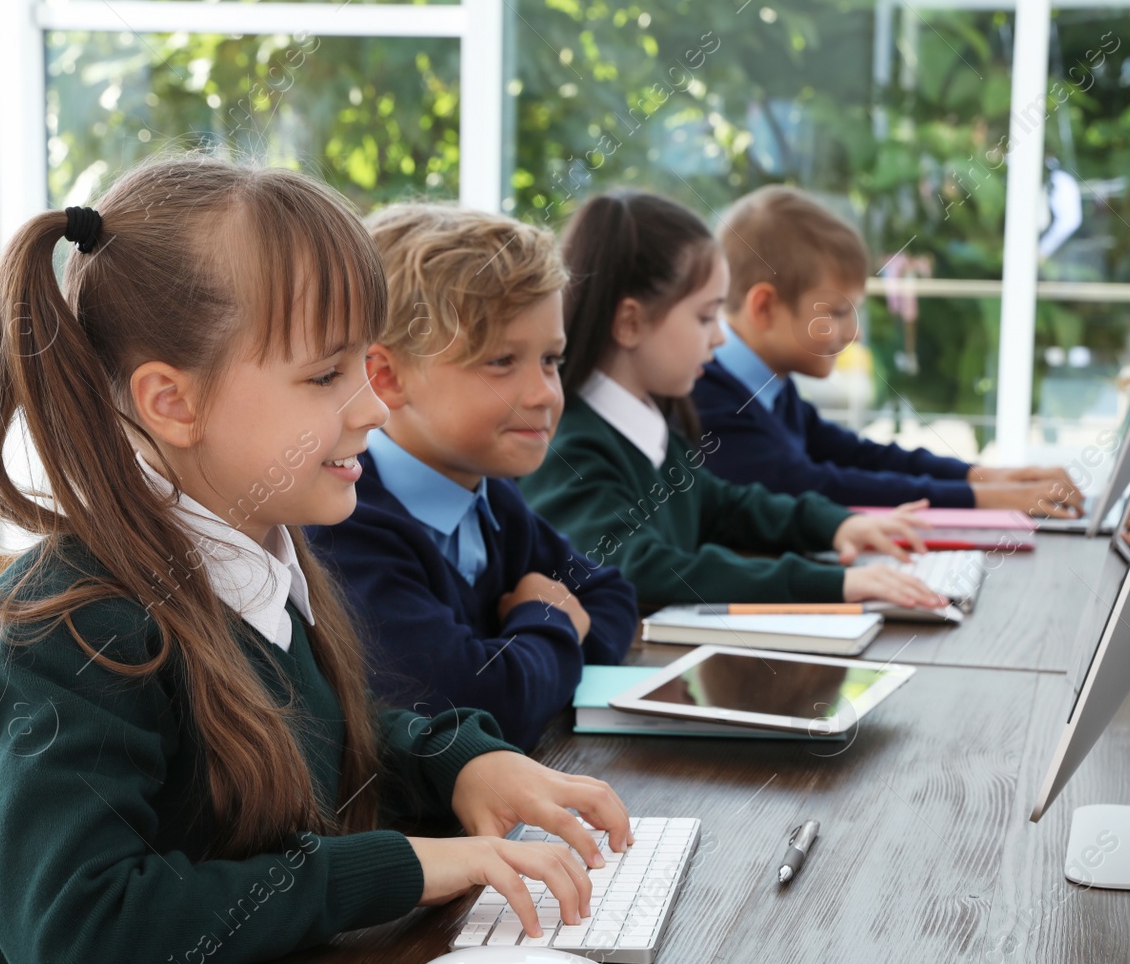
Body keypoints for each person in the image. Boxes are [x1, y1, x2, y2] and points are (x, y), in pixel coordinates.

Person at [0, 158, 630, 964]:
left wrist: (458, 762)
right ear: (172, 402)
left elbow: (328, 738)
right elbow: (83, 941)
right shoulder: (77, 625)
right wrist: (401, 866)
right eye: (326, 375)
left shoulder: (256, 557)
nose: (375, 406)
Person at [306, 204, 637, 750]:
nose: (545, 394)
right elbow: (477, 707)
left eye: (551, 360)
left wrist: (527, 656)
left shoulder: (494, 501)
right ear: (386, 378)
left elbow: (610, 595)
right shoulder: (350, 526)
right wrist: (548, 620)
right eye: (501, 361)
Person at [520, 189, 947, 610]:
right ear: (630, 322)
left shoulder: (652, 427)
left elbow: (725, 504)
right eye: (706, 317)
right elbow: (638, 567)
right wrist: (832, 583)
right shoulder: (569, 446)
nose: (720, 336)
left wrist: (838, 525)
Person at [690, 185, 1084, 517]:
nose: (852, 333)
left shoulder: (770, 390)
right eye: (836, 312)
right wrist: (985, 498)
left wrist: (983, 477)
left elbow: (859, 457)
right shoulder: (711, 402)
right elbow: (813, 486)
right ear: (764, 308)